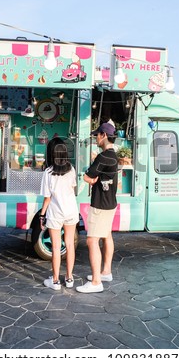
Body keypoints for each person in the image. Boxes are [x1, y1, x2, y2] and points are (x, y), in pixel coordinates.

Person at [76, 122, 118, 294]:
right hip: (111, 202)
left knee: (92, 240)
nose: (95, 138)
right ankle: (106, 272)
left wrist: (93, 176)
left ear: (104, 135)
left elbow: (87, 177)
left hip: (100, 204)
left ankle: (96, 282)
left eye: (97, 135)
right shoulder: (113, 156)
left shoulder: (103, 157)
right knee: (106, 235)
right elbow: (93, 176)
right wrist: (94, 176)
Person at [39, 138, 78, 290]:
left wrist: (42, 215)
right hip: (71, 211)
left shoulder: (48, 172)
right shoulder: (71, 169)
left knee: (56, 247)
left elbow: (47, 198)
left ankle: (55, 281)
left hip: (55, 213)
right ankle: (69, 278)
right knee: (69, 244)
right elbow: (72, 189)